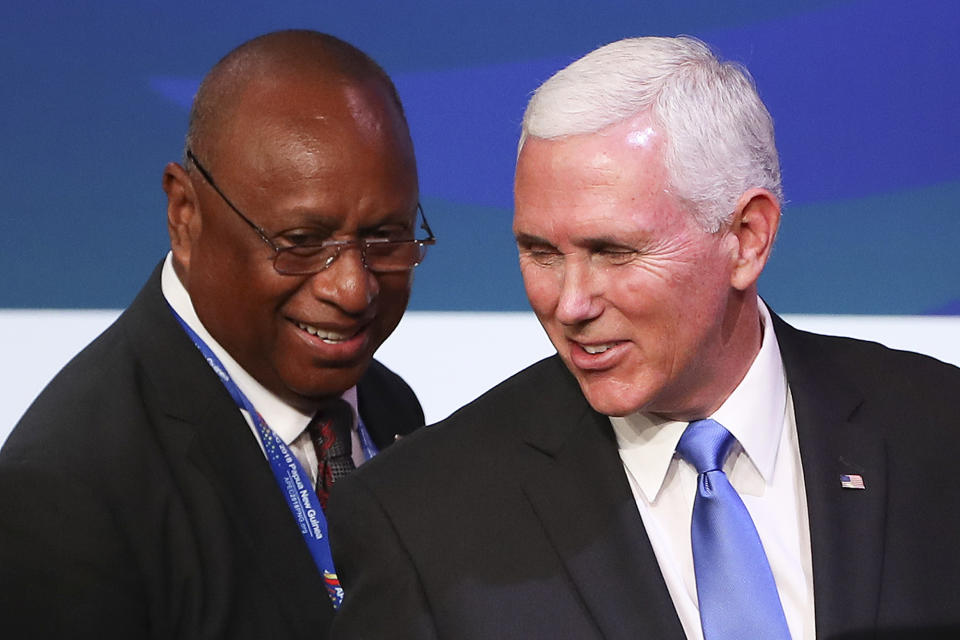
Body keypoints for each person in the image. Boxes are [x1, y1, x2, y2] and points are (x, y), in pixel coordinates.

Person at [328, 36, 960, 639]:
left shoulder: (935, 430)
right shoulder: (423, 516)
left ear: (747, 237)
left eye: (613, 251)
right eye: (540, 251)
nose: (569, 304)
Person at [0, 29, 433, 639]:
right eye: (302, 243)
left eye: (385, 237)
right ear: (185, 214)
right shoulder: (67, 499)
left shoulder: (387, 408)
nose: (354, 290)